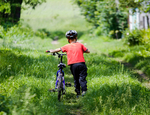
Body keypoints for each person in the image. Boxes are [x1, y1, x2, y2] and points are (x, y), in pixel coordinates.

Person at [47, 30, 90, 97]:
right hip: (81, 64)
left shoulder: (67, 46)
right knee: (82, 78)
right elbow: (88, 51)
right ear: (76, 38)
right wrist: (81, 50)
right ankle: (84, 90)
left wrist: (51, 51)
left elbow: (58, 49)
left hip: (73, 65)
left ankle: (78, 93)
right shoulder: (80, 45)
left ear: (68, 39)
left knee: (76, 79)